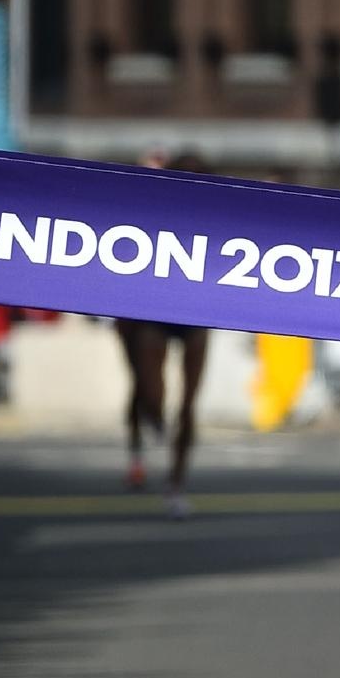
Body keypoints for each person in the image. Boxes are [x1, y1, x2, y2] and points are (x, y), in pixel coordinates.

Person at [119, 149, 211, 518]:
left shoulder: (214, 214)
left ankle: (175, 484)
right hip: (153, 311)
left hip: (194, 314)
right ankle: (143, 438)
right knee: (149, 392)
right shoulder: (152, 210)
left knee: (188, 404)